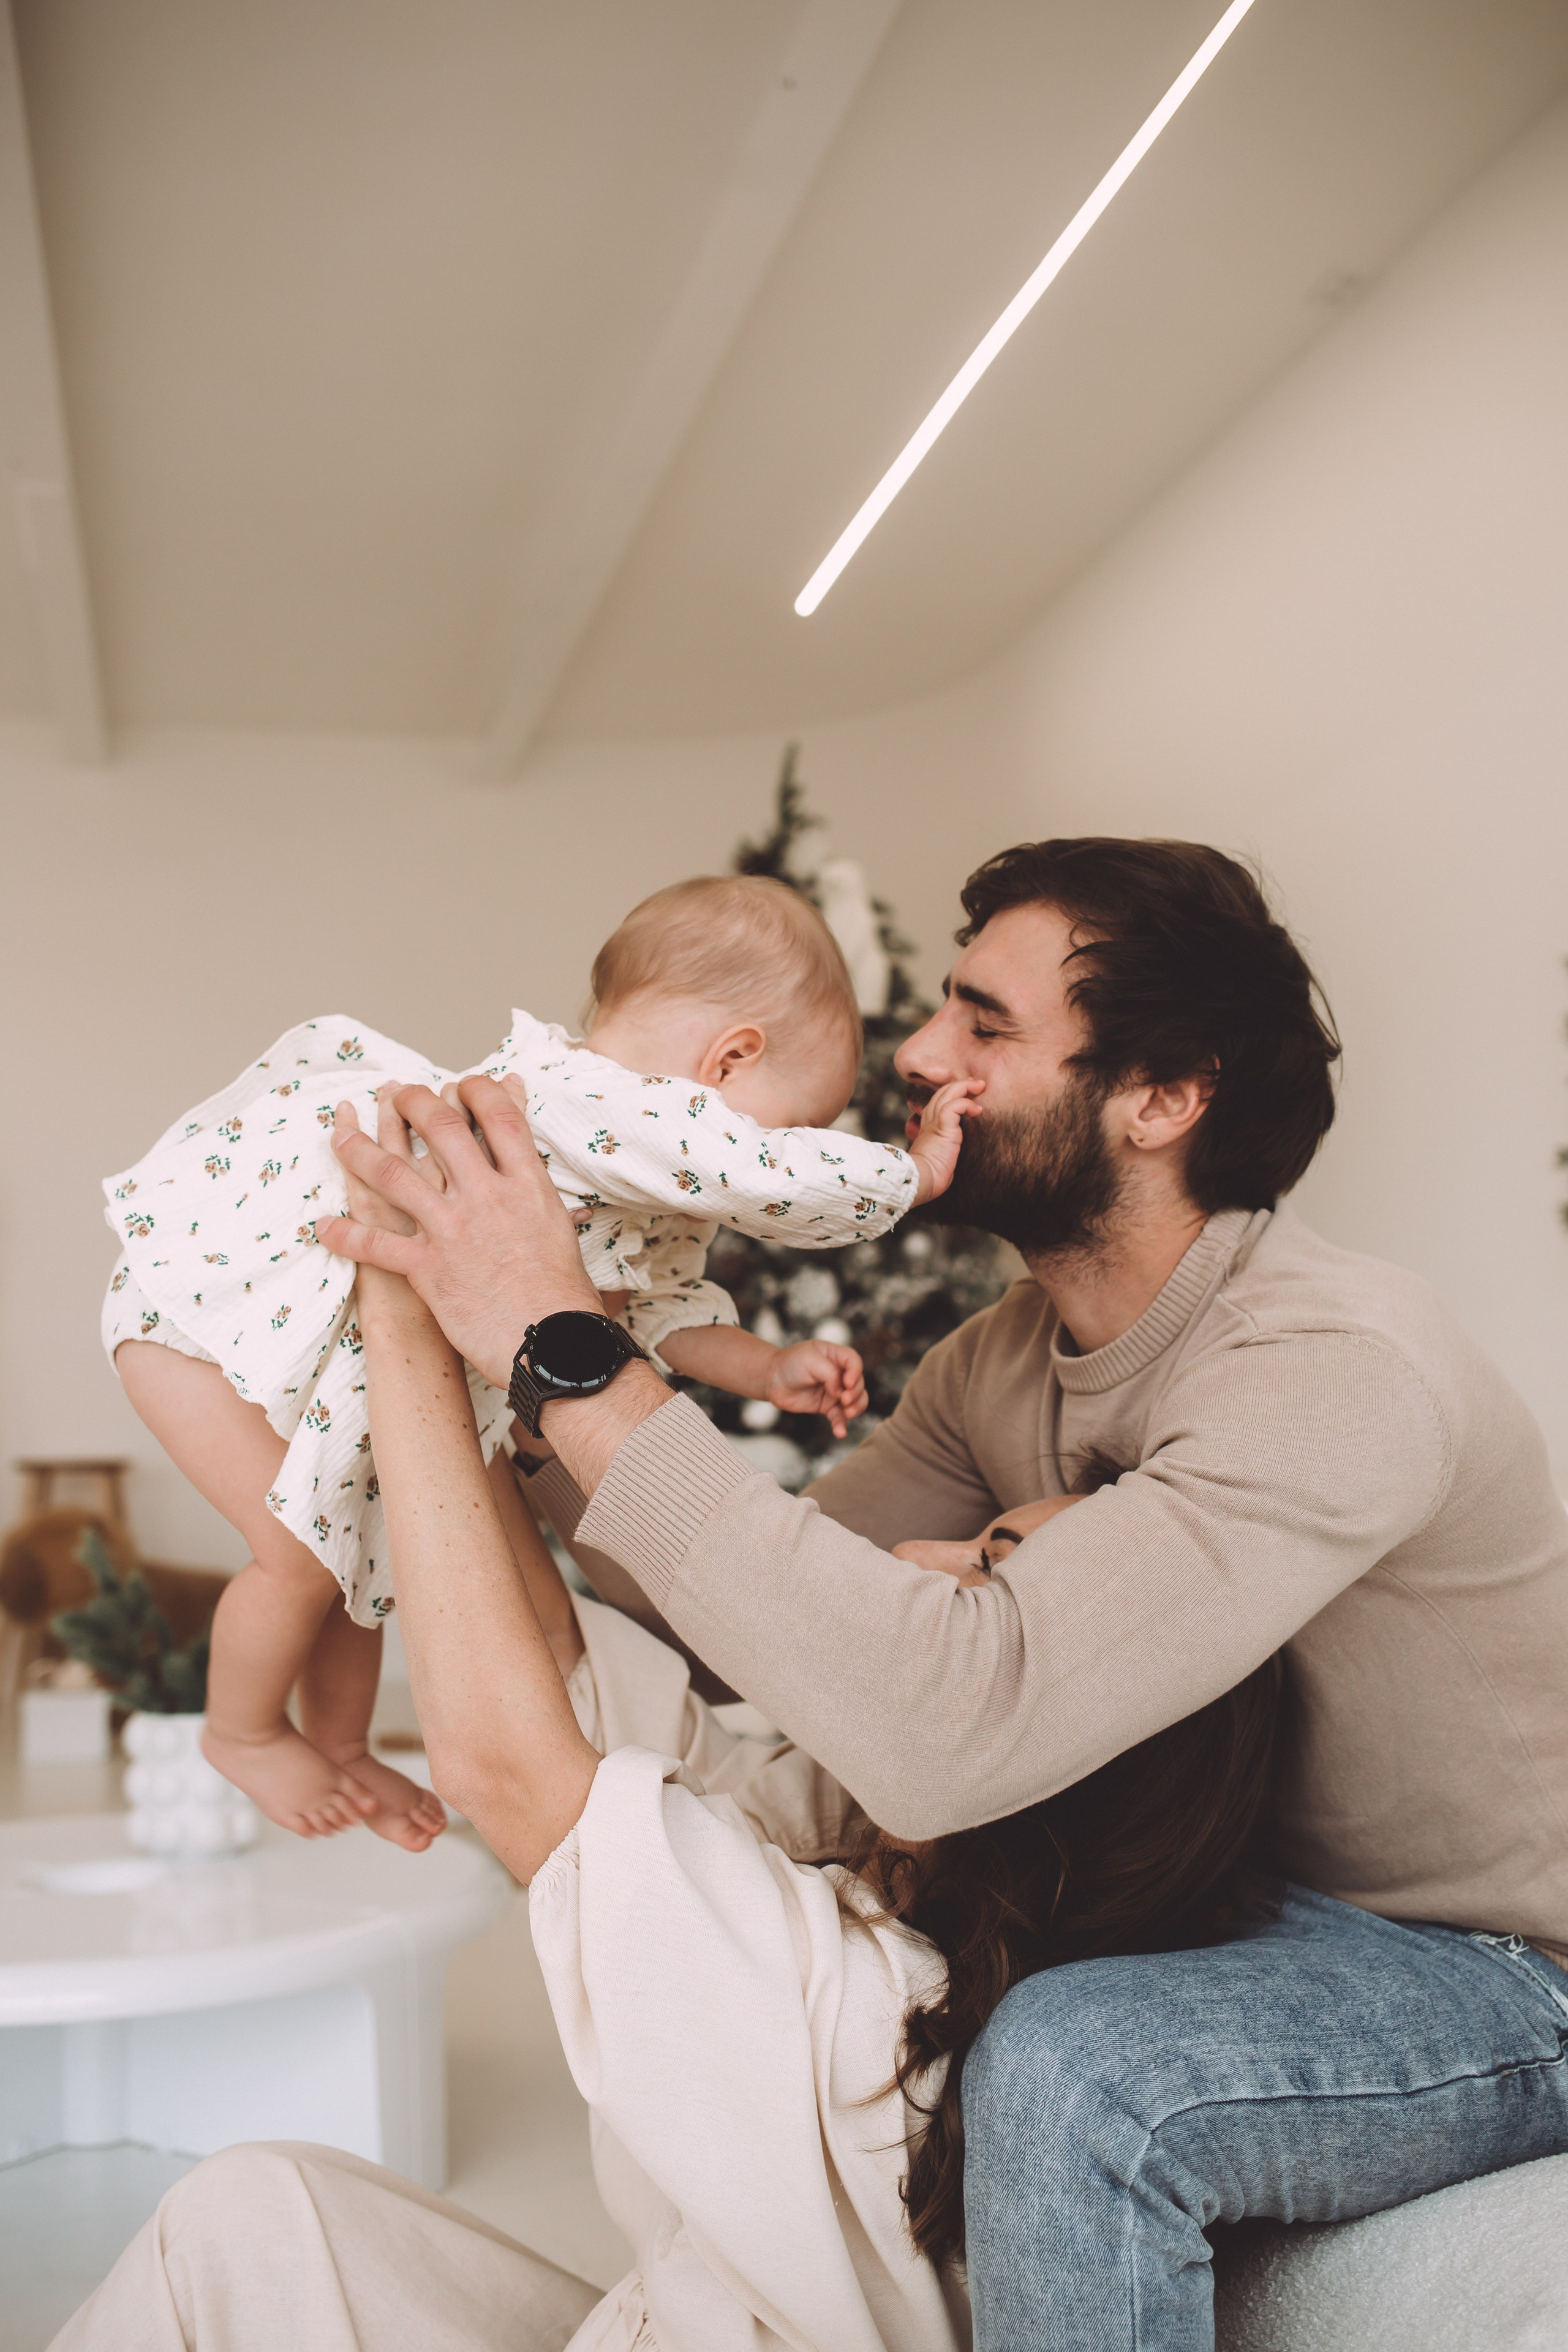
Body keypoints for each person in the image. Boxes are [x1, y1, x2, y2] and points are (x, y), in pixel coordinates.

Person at [312, 837, 1568, 2351]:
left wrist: (564, 1338)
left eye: (984, 1025)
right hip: (1211, 1900)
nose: (916, 1056)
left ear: (1162, 1097)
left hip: (1481, 1968)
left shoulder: (1330, 1368)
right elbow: (739, 1615)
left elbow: (942, 1733)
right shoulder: (998, 1362)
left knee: (1070, 2066)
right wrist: (476, 1348)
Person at [53, 1106, 1282, 2350]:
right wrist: (464, 1313)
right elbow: (553, 1666)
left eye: (983, 1568)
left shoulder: (870, 2001)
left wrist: (396, 1301)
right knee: (252, 2214)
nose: (915, 1556)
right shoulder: (858, 1837)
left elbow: (515, 1776)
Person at [99, 875, 974, 1847]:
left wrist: (765, 1369)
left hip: (326, 1370)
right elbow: (764, 1175)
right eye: (788, 1122)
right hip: (196, 1331)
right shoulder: (593, 1103)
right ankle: (242, 1731)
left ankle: (343, 1748)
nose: (770, 1156)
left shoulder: (632, 1187)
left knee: (355, 1555)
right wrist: (916, 1175)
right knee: (301, 1562)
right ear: (729, 1060)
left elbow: (659, 1316)